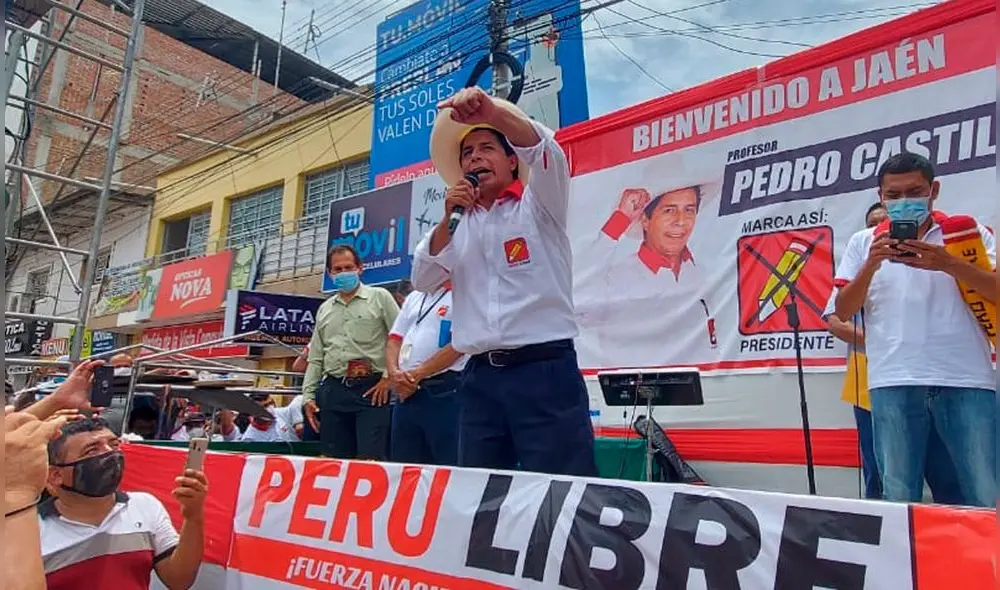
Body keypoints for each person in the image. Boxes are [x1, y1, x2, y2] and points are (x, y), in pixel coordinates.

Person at [412, 86, 598, 476]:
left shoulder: (539, 205)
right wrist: (448, 218)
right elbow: (423, 278)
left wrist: (491, 112)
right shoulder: (457, 224)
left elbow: (543, 149)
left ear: (513, 162)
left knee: (560, 490)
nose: (475, 157)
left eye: (486, 148)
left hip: (544, 372)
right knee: (481, 491)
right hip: (479, 380)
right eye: (467, 152)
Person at [833, 152, 995, 507]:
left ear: (934, 190)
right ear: (880, 196)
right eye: (893, 195)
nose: (904, 202)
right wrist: (871, 266)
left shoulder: (968, 234)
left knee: (984, 492)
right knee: (899, 495)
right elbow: (843, 309)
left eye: (914, 191)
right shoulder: (864, 243)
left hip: (967, 378)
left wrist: (949, 263)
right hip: (893, 379)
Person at [575, 167, 721, 367]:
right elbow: (575, 298)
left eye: (689, 210)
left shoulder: (704, 274)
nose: (681, 221)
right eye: (669, 210)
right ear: (645, 220)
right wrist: (619, 221)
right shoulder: (617, 278)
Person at [40, 417, 207, 588]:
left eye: (114, 444)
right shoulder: (32, 531)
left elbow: (179, 579)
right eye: (91, 451)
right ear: (55, 475)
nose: (109, 453)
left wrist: (193, 516)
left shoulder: (145, 506)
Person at [302, 244, 399, 459]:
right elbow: (316, 358)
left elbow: (401, 339)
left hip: (372, 390)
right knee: (333, 461)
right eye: (338, 269)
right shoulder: (325, 309)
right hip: (333, 390)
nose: (344, 273)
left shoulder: (380, 297)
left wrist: (387, 378)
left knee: (370, 462)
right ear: (330, 273)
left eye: (349, 267)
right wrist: (308, 396)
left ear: (360, 268)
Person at [385, 282, 466, 465]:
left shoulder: (464, 294)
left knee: (447, 462)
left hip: (443, 390)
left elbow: (459, 344)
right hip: (405, 392)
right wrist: (394, 373)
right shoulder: (415, 297)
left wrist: (415, 375)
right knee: (404, 463)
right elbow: (394, 339)